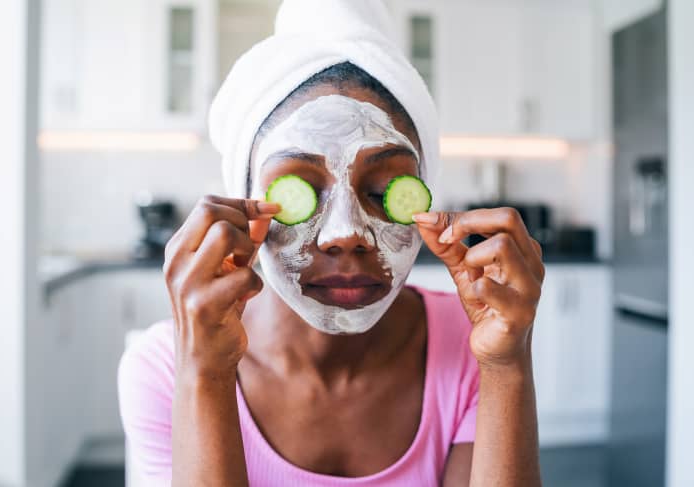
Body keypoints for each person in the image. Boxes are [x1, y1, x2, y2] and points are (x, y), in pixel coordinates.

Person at [118, 1, 544, 486]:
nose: (346, 234)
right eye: (299, 190)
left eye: (386, 191)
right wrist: (206, 375)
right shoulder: (164, 369)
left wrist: (508, 367)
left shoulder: (477, 343)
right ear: (245, 203)